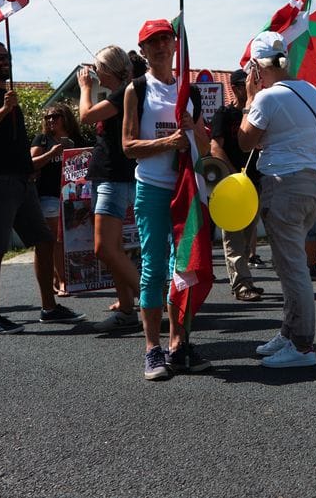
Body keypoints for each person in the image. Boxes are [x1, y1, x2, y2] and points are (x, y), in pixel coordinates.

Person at [0, 40, 83, 334]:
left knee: (44, 241)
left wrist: (29, 169)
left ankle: (49, 307)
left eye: (6, 56)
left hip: (22, 181)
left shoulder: (10, 97)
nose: (4, 61)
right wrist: (3, 110)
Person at [121, 19, 211, 379]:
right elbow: (127, 146)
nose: (160, 46)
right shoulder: (137, 89)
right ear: (142, 50)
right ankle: (151, 349)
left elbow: (205, 146)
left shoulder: (190, 91)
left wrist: (192, 130)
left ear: (176, 46)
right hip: (153, 188)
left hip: (186, 189)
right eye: (151, 42)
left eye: (165, 39)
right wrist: (164, 143)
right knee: (154, 267)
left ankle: (178, 344)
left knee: (184, 268)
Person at [238, 32, 316, 368]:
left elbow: (245, 142)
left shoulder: (265, 99)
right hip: (310, 184)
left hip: (283, 185)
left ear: (257, 69)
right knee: (289, 264)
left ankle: (302, 346)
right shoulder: (314, 93)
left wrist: (249, 98)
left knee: (292, 269)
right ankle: (289, 333)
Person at [76, 46, 143, 330]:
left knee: (105, 248)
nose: (94, 71)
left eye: (97, 67)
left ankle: (156, 300)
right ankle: (127, 311)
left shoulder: (122, 92)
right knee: (114, 248)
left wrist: (85, 87)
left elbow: (86, 115)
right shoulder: (125, 91)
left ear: (108, 69)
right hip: (113, 177)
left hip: (114, 178)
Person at [209, 69, 263, 302]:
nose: (252, 88)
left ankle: (245, 279)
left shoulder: (257, 112)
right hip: (232, 184)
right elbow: (215, 147)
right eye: (246, 84)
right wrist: (232, 174)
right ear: (235, 87)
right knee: (233, 236)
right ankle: (241, 284)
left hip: (255, 181)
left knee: (248, 235)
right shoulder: (224, 114)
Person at [30, 101, 78, 298]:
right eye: (47, 117)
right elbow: (31, 164)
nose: (50, 120)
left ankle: (60, 280)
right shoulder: (42, 140)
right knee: (53, 241)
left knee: (67, 242)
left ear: (65, 118)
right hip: (48, 196)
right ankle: (58, 281)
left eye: (55, 116)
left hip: (71, 196)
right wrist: (52, 153)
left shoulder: (75, 139)